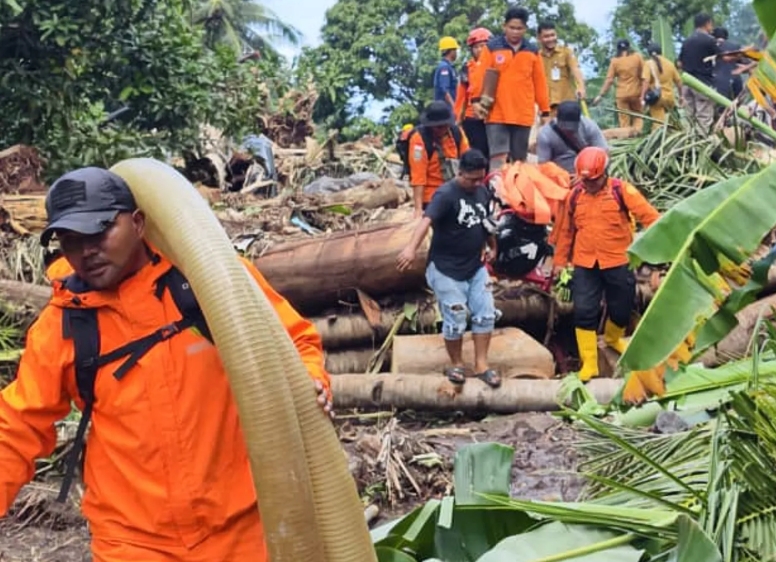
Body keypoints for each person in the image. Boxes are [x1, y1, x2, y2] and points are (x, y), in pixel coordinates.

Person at [0, 168, 333, 561]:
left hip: (242, 527)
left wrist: (312, 378)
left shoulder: (210, 283)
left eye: (99, 232)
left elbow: (294, 340)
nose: (86, 251)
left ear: (138, 222)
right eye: (71, 241)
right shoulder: (63, 326)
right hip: (133, 542)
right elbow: (17, 428)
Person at [552, 147, 660, 382]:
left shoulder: (622, 191)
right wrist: (560, 262)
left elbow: (651, 218)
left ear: (604, 174)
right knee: (584, 311)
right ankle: (589, 363)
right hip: (585, 262)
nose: (589, 185)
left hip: (618, 260)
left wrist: (657, 254)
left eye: (593, 180)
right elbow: (566, 231)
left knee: (621, 308)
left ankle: (613, 338)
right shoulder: (575, 196)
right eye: (585, 180)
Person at [396, 149, 500, 388]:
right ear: (460, 172)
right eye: (471, 179)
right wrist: (411, 248)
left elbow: (487, 223)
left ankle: (482, 364)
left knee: (485, 313)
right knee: (456, 315)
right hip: (445, 268)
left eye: (479, 179)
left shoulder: (482, 192)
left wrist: (493, 246)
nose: (475, 183)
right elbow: (426, 221)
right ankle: (456, 363)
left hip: (475, 266)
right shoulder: (446, 194)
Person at [475, 5, 551, 169]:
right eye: (512, 28)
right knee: (498, 158)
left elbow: (540, 82)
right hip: (497, 113)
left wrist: (545, 111)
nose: (515, 32)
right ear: (504, 27)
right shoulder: (492, 48)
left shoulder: (532, 51)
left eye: (519, 28)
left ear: (525, 29)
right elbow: (480, 76)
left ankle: (517, 193)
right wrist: (476, 100)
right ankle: (496, 193)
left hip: (522, 114)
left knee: (519, 161)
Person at [408, 101, 469, 218]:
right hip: (432, 196)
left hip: (456, 191)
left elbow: (468, 160)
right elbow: (418, 176)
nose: (442, 130)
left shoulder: (457, 133)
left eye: (445, 126)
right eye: (438, 127)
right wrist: (418, 209)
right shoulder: (419, 140)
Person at [536, 100, 608, 174]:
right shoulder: (546, 134)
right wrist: (562, 176)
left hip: (588, 173)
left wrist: (589, 173)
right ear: (557, 119)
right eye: (564, 128)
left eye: (572, 129)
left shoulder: (589, 126)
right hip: (560, 175)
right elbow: (543, 165)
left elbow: (603, 153)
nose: (568, 131)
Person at [455, 27, 492, 163]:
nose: (480, 50)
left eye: (483, 46)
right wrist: (458, 119)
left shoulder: (498, 65)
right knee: (479, 153)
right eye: (476, 47)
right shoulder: (467, 68)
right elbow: (461, 96)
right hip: (473, 118)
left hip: (494, 116)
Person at [679, 13, 720, 131]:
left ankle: (686, 142)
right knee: (703, 117)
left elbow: (679, 63)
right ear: (707, 23)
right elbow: (722, 57)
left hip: (688, 84)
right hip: (703, 84)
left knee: (688, 117)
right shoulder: (709, 40)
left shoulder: (686, 41)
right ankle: (699, 145)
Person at [537, 20, 586, 116]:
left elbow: (576, 70)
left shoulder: (566, 52)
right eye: (546, 36)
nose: (550, 39)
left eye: (552, 35)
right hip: (546, 107)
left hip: (566, 105)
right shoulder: (536, 57)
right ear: (539, 38)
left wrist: (581, 87)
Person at [594, 39, 644, 131]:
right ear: (629, 47)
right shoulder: (637, 57)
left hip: (622, 95)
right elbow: (644, 75)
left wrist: (600, 95)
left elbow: (609, 80)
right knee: (638, 116)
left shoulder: (615, 61)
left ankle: (626, 139)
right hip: (636, 93)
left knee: (624, 120)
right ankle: (637, 133)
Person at [640, 43, 683, 130]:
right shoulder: (670, 64)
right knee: (670, 124)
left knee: (659, 125)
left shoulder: (648, 64)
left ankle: (660, 140)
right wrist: (681, 95)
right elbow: (678, 81)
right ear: (661, 51)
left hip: (657, 99)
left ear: (649, 53)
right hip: (670, 99)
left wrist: (642, 96)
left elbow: (646, 81)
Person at [434, 36, 460, 109]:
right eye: (455, 49)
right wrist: (454, 108)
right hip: (446, 110)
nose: (457, 52)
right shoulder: (444, 67)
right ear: (450, 51)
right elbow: (445, 90)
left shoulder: (450, 67)